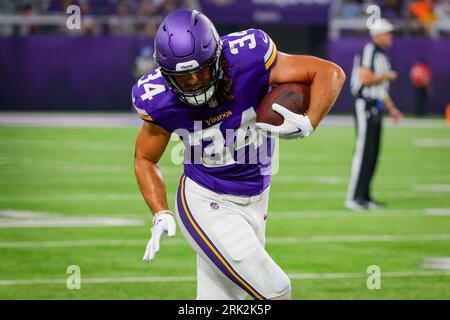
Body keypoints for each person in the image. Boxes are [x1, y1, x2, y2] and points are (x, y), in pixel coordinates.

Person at [132, 9, 345, 300]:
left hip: (258, 198)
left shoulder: (249, 57)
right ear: (167, 76)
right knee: (276, 291)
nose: (194, 81)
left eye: (201, 70)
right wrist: (160, 212)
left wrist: (309, 121)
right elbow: (145, 158)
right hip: (207, 202)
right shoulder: (157, 99)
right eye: (183, 77)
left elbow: (329, 72)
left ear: (218, 57)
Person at [346, 18, 403, 211]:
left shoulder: (381, 55)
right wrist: (386, 76)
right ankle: (353, 198)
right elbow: (366, 78)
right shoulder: (370, 50)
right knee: (363, 152)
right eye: (387, 33)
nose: (390, 37)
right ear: (377, 35)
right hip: (365, 105)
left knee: (372, 153)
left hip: (376, 106)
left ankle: (365, 196)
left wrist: (392, 108)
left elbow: (380, 89)